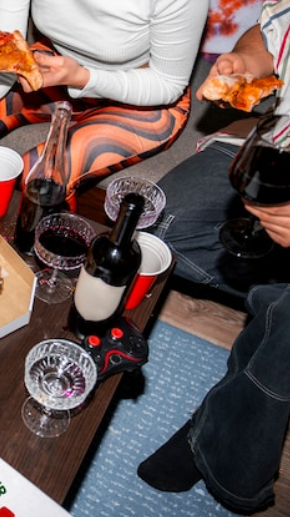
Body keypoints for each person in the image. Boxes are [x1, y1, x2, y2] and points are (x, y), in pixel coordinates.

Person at [137, 2, 290, 512]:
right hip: (277, 144)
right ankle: (275, 291)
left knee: (286, 329)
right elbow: (269, 35)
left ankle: (223, 450)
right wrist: (245, 63)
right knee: (160, 224)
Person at [0, 0, 209, 202]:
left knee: (34, 183)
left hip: (144, 102)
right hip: (54, 69)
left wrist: (83, 78)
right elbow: (0, 58)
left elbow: (167, 84)